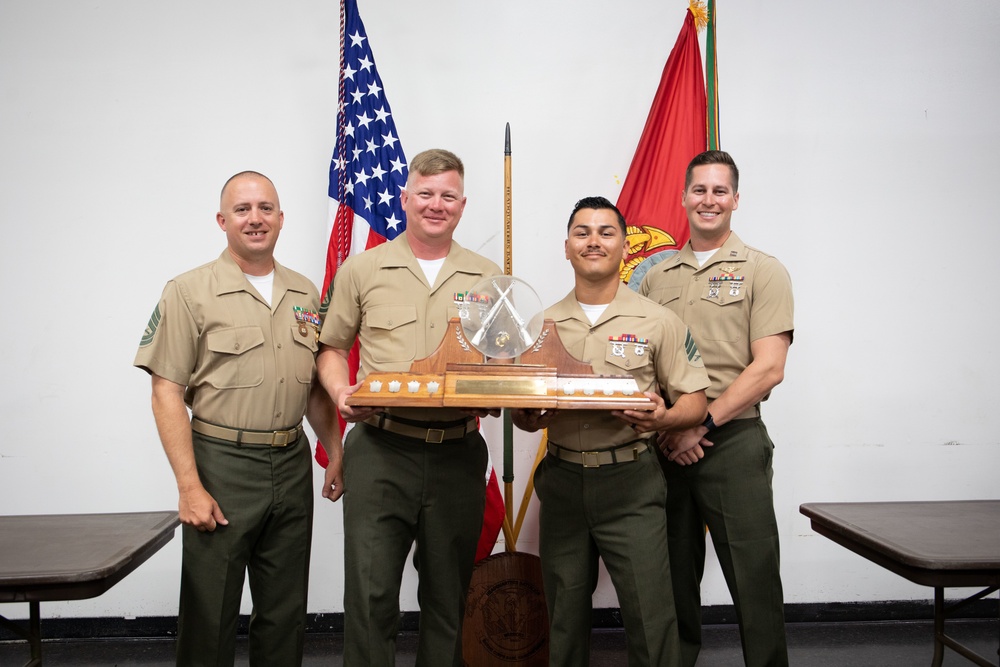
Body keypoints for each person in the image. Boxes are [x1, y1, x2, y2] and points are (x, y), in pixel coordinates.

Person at [134, 171, 342, 667]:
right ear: (222, 220)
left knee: (285, 610)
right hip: (221, 464)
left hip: (290, 463)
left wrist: (336, 451)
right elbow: (166, 390)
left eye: (266, 208)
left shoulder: (305, 293)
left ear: (281, 218)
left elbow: (312, 385)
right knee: (211, 610)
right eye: (243, 210)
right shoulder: (189, 291)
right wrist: (189, 485)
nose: (256, 219)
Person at [316, 148, 502, 666]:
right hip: (380, 449)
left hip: (457, 453)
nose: (435, 205)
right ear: (405, 198)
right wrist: (339, 393)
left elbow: (504, 359)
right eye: (425, 193)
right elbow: (331, 349)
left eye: (447, 196)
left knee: (447, 599)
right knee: (371, 598)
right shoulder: (363, 269)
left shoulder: (488, 276)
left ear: (462, 205)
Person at [513, 196, 710, 667]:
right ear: (566, 247)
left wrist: (660, 419)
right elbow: (521, 412)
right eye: (582, 232)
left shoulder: (658, 319)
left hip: (631, 482)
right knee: (564, 617)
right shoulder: (541, 327)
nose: (594, 241)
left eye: (606, 232)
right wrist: (527, 416)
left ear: (624, 245)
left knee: (650, 615)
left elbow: (695, 402)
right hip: (562, 482)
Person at [639, 150, 794, 667]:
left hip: (731, 443)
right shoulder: (657, 277)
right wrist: (671, 427)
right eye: (699, 190)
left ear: (735, 200)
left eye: (719, 191)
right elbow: (648, 362)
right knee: (671, 578)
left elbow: (768, 368)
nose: (709, 200)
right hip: (667, 443)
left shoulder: (763, 271)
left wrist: (699, 424)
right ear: (684, 197)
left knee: (753, 577)